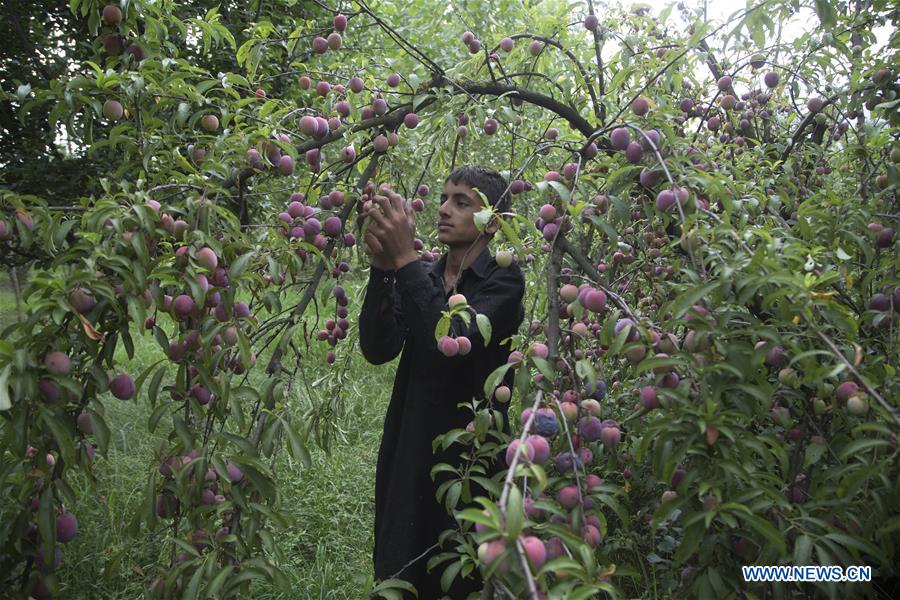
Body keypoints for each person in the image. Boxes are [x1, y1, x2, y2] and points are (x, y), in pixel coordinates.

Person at [358, 165, 526, 599]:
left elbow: (449, 345)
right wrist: (382, 269)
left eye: (461, 201)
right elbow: (378, 348)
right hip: (409, 448)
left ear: (493, 221)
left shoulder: (503, 281)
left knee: (455, 577)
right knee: (399, 566)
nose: (444, 209)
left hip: (468, 461)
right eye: (444, 198)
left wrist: (404, 260)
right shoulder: (428, 276)